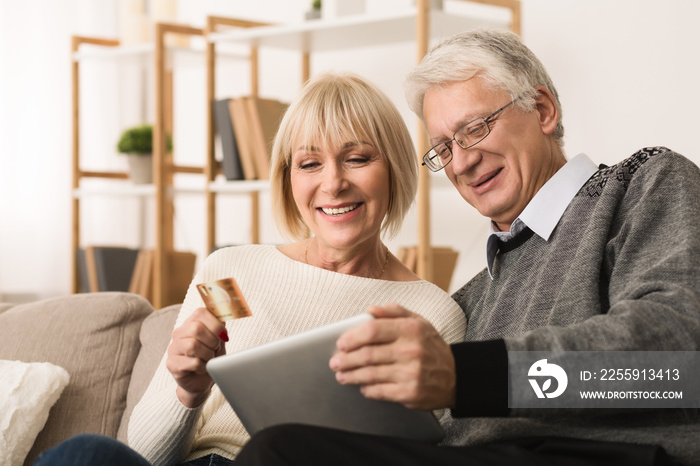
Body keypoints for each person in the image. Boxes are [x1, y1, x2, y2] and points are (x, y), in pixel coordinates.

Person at [232, 28, 700, 466]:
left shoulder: (643, 183)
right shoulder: (469, 301)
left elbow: (676, 364)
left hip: (599, 455)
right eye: (444, 147)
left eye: (475, 128)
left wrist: (465, 375)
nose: (463, 161)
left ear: (542, 110)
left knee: (280, 452)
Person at [32, 73, 466, 466]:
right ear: (288, 180)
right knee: (84, 452)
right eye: (310, 163)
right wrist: (188, 391)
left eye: (357, 158)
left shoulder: (430, 312)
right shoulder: (233, 272)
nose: (332, 183)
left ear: (394, 169)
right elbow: (144, 455)